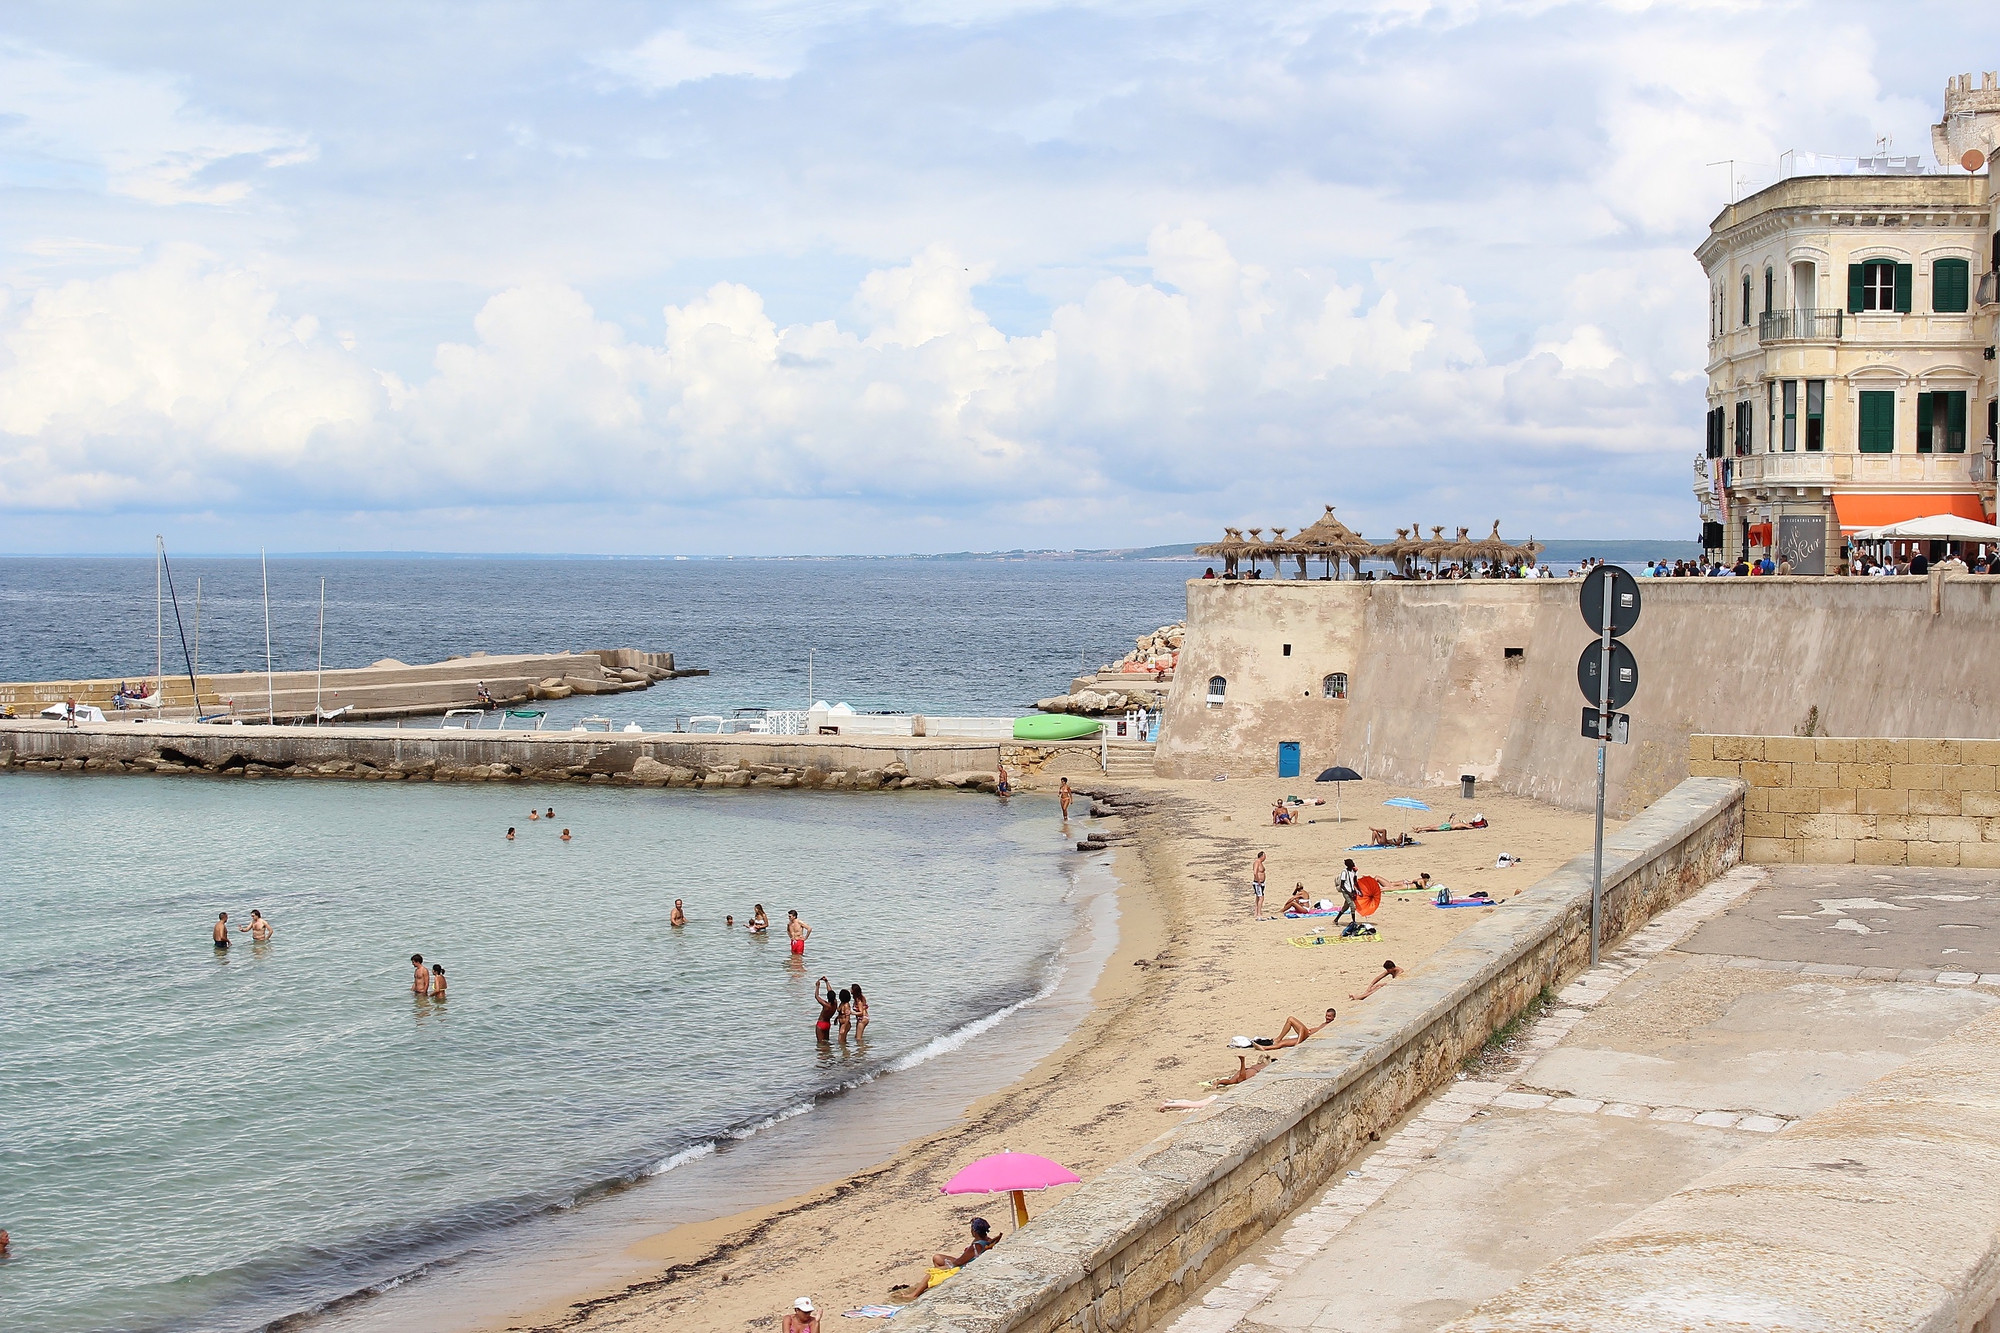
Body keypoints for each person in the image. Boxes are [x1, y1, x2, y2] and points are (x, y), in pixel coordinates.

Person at [1264, 1008, 1336, 1048]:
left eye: (1329, 1016)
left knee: (1290, 1019)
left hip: (1307, 1035)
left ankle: (1279, 1039)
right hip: (1305, 1035)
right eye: (1326, 1015)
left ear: (1334, 1017)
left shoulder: (1332, 1024)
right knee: (1282, 1043)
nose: (1327, 1017)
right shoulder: (1325, 1023)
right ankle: (1264, 1048)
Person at [1332, 860, 1360, 932]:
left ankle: (1336, 919)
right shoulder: (1344, 872)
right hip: (1346, 892)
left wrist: (1359, 891)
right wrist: (1349, 893)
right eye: (1352, 863)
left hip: (1351, 891)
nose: (1353, 864)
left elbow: (1355, 881)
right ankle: (1354, 922)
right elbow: (1342, 885)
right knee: (1352, 906)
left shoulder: (1353, 871)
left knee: (1345, 907)